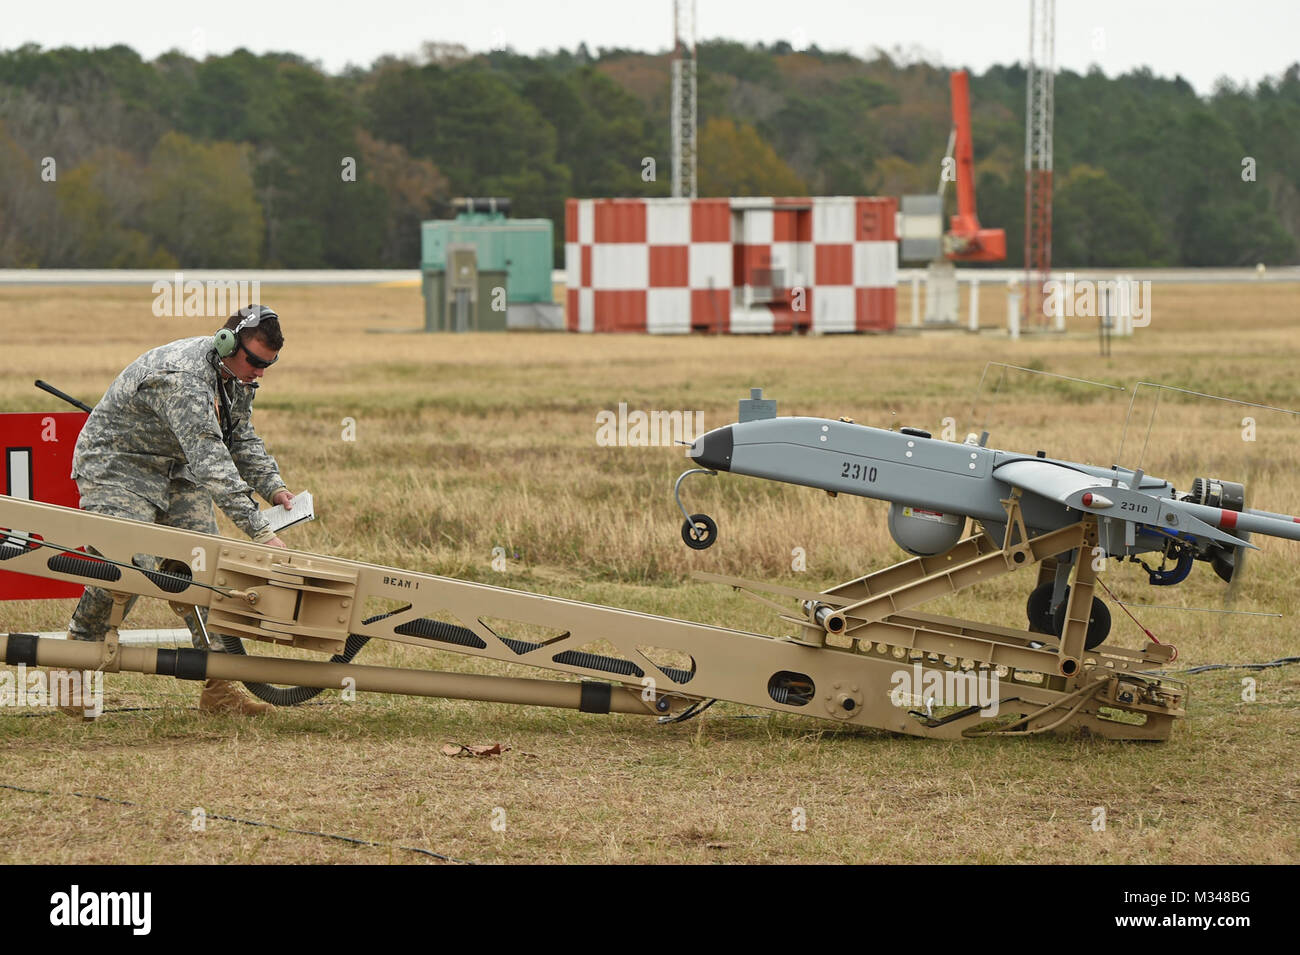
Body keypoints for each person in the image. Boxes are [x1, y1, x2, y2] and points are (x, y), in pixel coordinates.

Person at [62, 305, 297, 717]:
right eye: (256, 362)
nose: (260, 372)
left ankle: (220, 691)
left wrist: (273, 488)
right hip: (119, 467)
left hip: (174, 469)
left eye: (268, 365)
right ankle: (72, 670)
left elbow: (238, 436)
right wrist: (260, 530)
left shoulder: (234, 374)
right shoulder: (183, 378)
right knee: (126, 570)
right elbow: (211, 460)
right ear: (228, 342)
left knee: (205, 572)